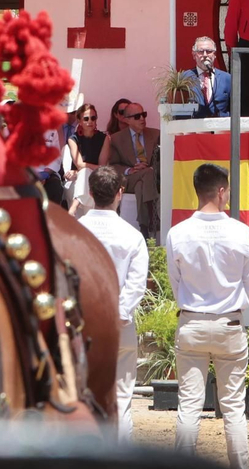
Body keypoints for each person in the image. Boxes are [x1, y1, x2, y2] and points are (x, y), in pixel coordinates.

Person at [166, 163, 249, 469]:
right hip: (229, 322)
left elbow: (175, 282)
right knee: (233, 408)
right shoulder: (242, 231)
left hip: (192, 321)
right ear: (220, 192)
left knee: (189, 406)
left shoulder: (178, 233)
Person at [77, 165, 149, 442]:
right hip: (119, 325)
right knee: (120, 401)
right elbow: (136, 285)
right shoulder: (132, 235)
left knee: (83, 401)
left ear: (91, 193)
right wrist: (118, 313)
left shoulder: (76, 230)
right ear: (120, 193)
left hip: (84, 325)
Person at [107, 101, 160, 238]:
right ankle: (153, 216)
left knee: (141, 184)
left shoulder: (155, 135)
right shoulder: (117, 139)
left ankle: (144, 227)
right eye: (137, 116)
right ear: (127, 120)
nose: (142, 119)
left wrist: (151, 167)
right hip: (129, 178)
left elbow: (162, 159)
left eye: (143, 114)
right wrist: (129, 170)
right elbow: (113, 165)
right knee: (143, 177)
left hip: (150, 177)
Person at [65, 102, 108, 215]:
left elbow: (102, 168)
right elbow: (79, 164)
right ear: (79, 121)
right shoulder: (73, 139)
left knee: (85, 173)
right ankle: (88, 220)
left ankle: (75, 205)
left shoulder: (104, 139)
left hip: (95, 177)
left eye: (93, 118)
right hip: (77, 180)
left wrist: (80, 169)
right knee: (84, 174)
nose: (90, 121)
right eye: (86, 118)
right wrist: (81, 169)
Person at [186, 36, 231, 119]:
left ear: (214, 55)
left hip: (221, 129)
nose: (205, 55)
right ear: (194, 55)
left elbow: (235, 108)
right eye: (200, 51)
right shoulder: (185, 78)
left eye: (209, 51)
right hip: (194, 128)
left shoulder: (227, 79)